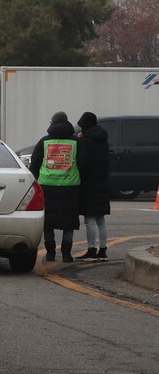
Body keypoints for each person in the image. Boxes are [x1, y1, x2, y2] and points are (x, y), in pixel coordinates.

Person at [30, 111, 81, 262]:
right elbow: (84, 163)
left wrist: (35, 179)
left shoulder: (44, 142)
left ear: (52, 123)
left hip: (47, 186)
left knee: (48, 222)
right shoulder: (76, 142)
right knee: (69, 222)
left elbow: (35, 162)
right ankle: (66, 254)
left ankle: (50, 253)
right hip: (70, 188)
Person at [76, 111, 111, 261]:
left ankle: (91, 249)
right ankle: (103, 250)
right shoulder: (103, 140)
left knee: (89, 219)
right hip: (102, 182)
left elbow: (82, 164)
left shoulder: (86, 142)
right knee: (101, 219)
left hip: (89, 184)